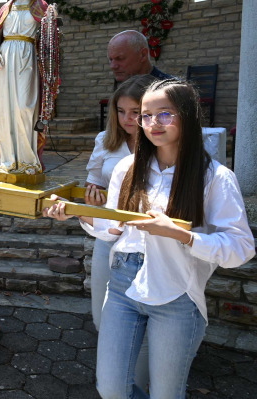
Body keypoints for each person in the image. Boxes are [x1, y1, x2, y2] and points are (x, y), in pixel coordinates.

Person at [43, 79, 255, 399]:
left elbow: (241, 247)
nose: (153, 123)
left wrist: (182, 235)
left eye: (165, 114)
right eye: (146, 115)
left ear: (187, 115)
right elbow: (114, 226)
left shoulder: (215, 177)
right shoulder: (128, 168)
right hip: (122, 286)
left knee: (165, 394)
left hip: (175, 293)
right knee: (112, 389)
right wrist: (75, 213)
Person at [83, 74, 153, 390]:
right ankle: (115, 379)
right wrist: (93, 195)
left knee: (144, 320)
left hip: (147, 243)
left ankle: (138, 383)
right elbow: (94, 180)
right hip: (108, 237)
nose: (127, 119)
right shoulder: (106, 140)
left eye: (135, 112)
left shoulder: (161, 142)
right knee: (103, 313)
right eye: (121, 111)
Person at [0, 0, 58, 174]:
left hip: (27, 58)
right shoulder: (7, 7)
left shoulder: (40, 5)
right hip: (4, 60)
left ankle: (28, 161)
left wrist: (52, 20)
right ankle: (8, 160)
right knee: (5, 110)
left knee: (25, 107)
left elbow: (49, 36)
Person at [107, 30, 172, 83]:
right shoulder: (122, 87)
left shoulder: (170, 89)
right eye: (111, 59)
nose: (113, 66)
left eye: (120, 58)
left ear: (143, 55)